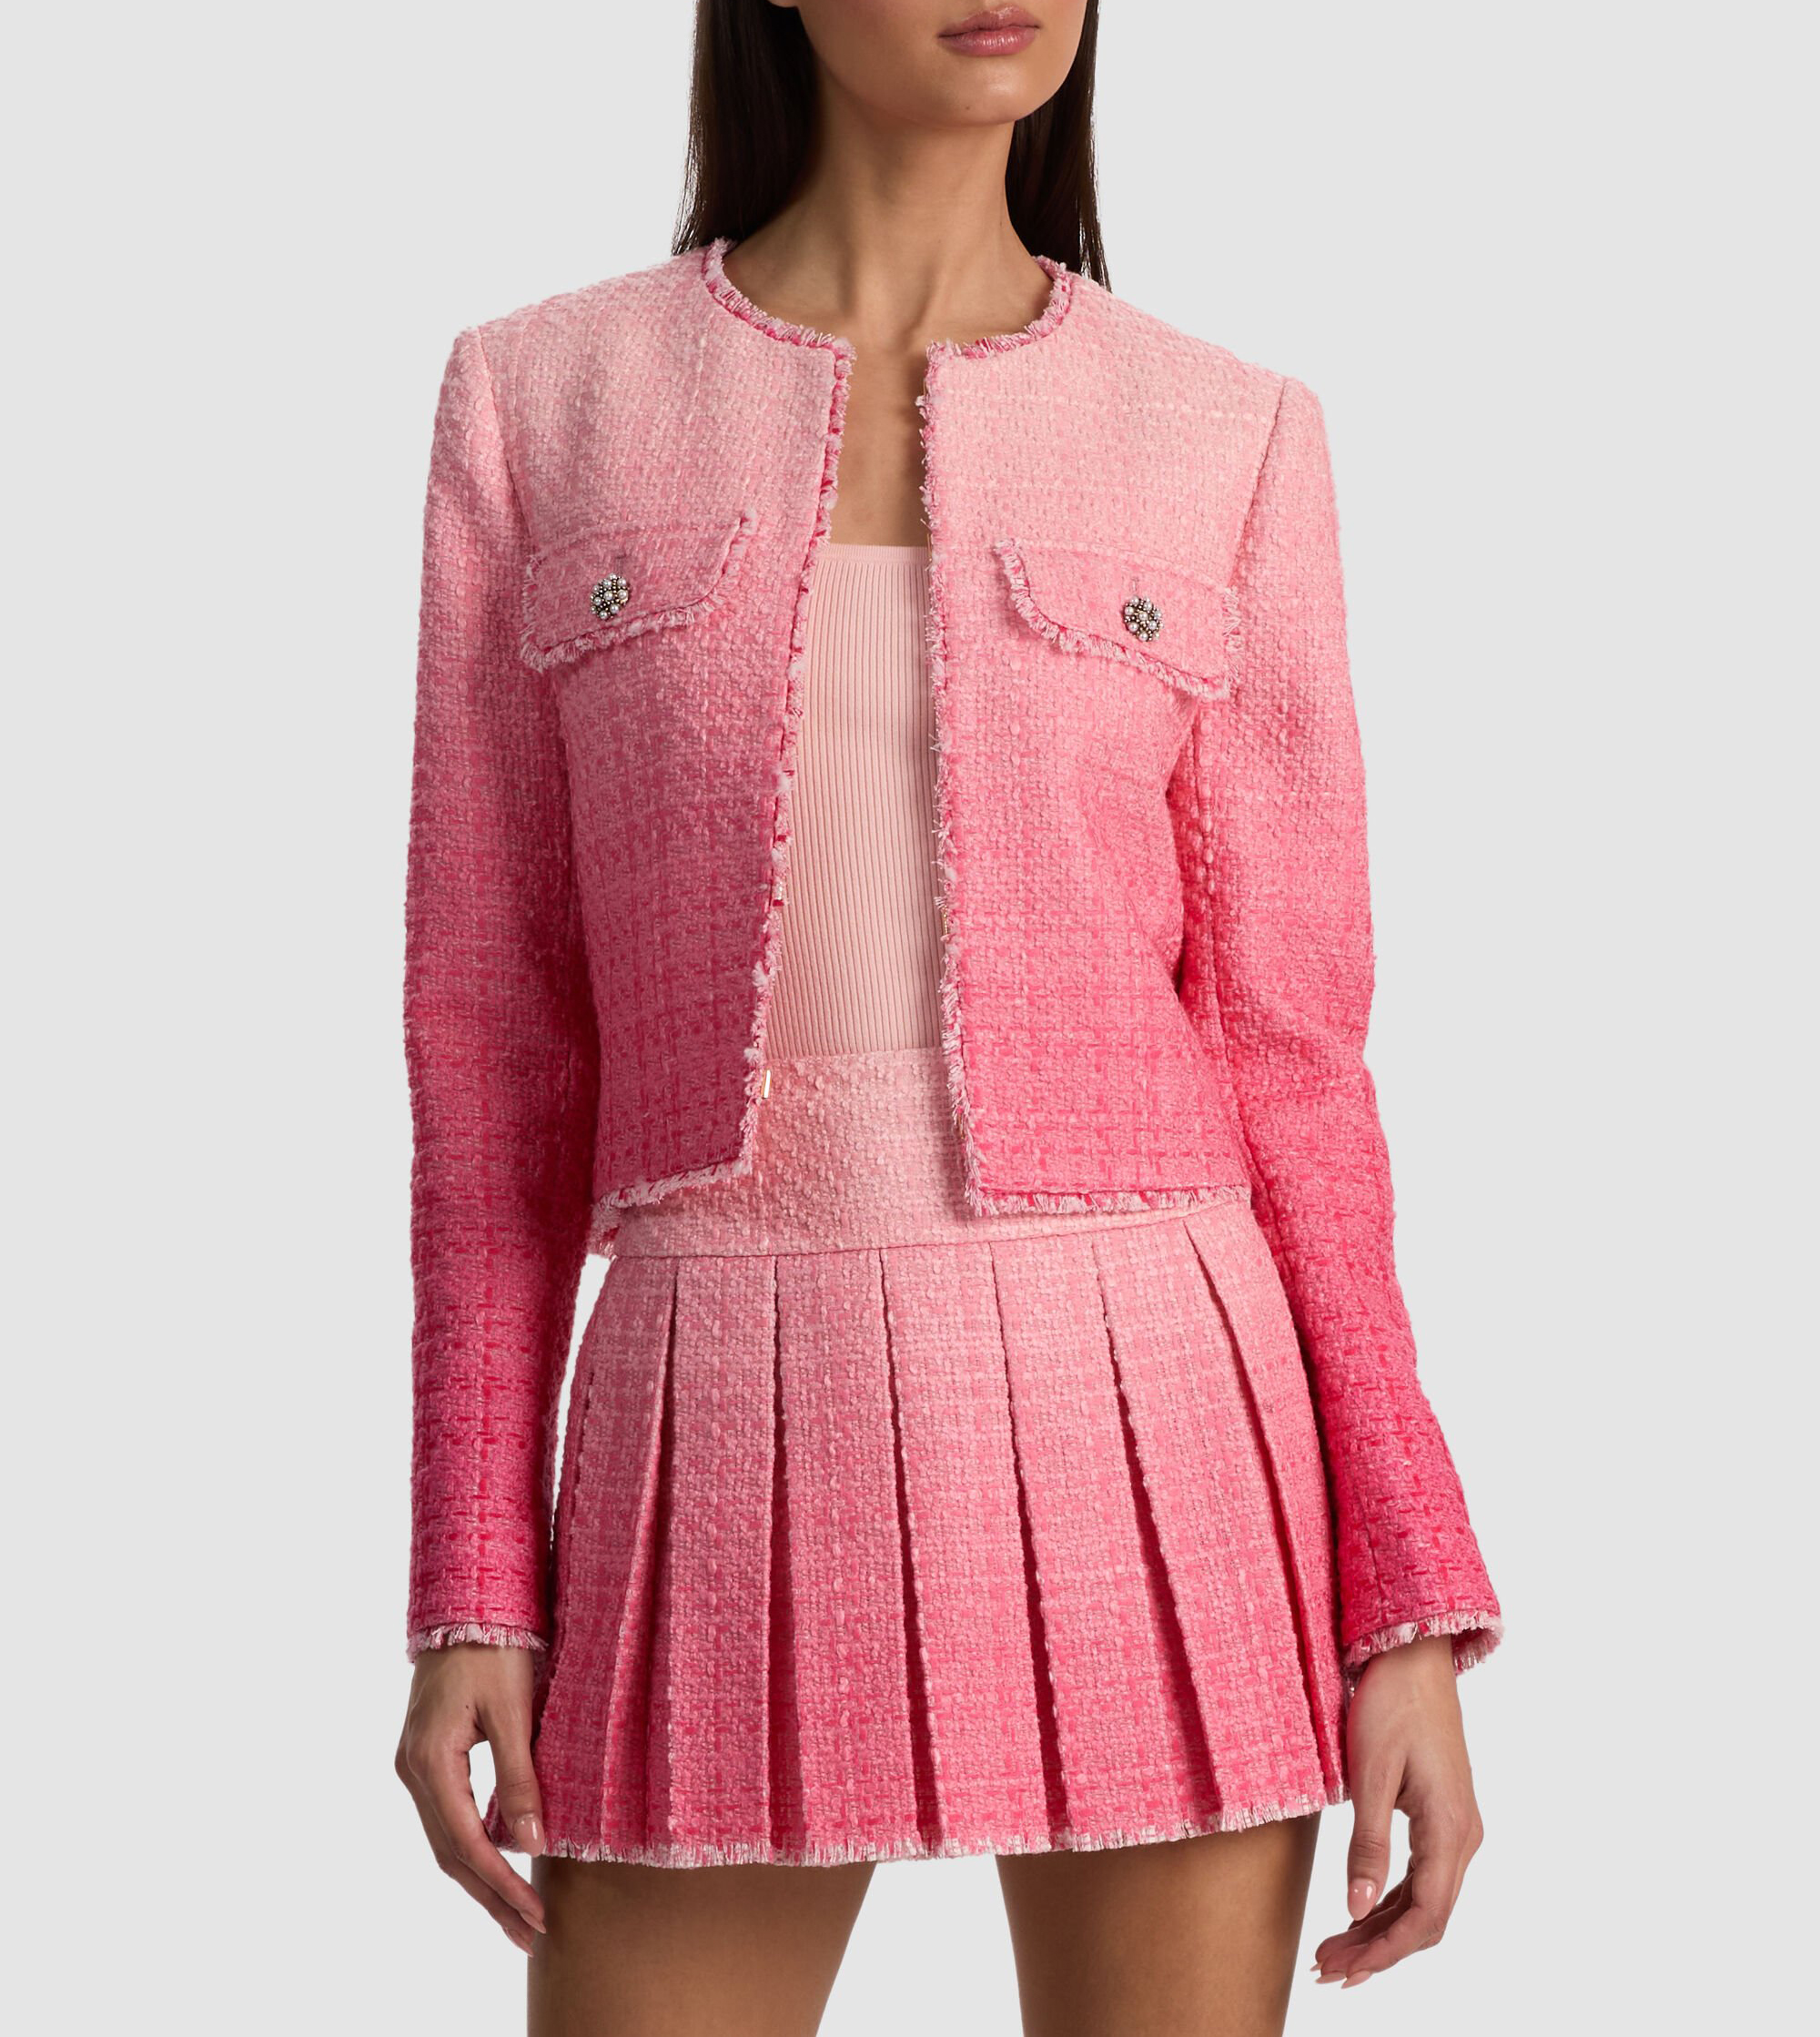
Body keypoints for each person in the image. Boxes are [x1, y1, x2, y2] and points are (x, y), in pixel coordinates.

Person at [392, 5, 1502, 2031]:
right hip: (713, 1415)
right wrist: (472, 1577)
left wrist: (1402, 1599)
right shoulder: (542, 403)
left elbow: (1295, 1071)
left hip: (1159, 1425)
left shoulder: (1228, 430)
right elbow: (493, 1059)